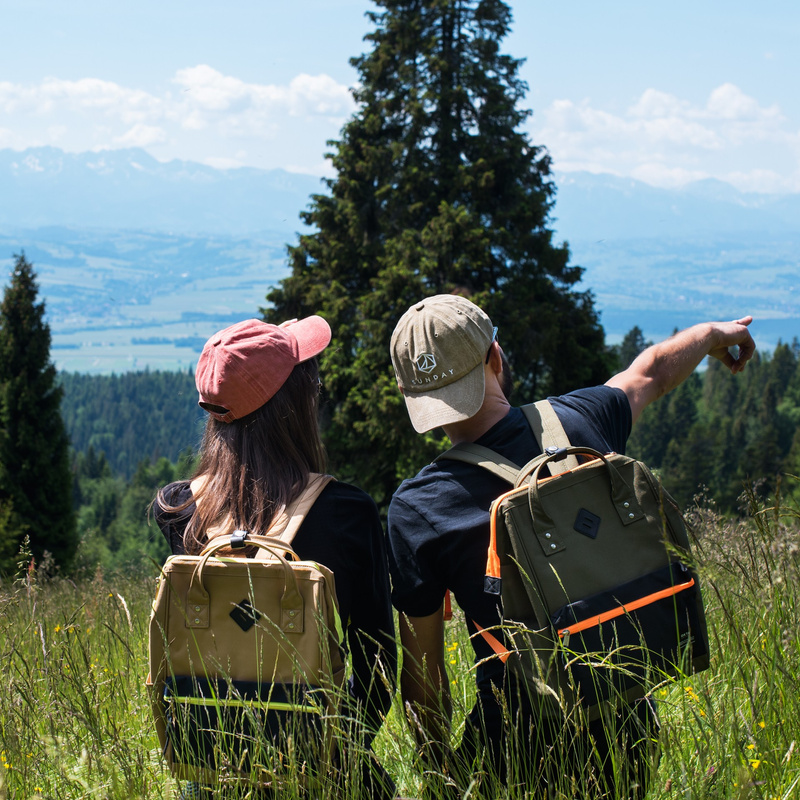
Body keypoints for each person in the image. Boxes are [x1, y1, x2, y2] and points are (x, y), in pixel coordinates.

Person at [386, 294, 756, 799]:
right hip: (627, 733)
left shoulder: (419, 508)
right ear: (495, 358)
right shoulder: (579, 421)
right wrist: (715, 334)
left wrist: (438, 769)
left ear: (415, 397)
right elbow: (650, 373)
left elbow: (424, 677)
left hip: (512, 751)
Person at [154, 316, 398, 800]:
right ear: (295, 402)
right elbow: (379, 665)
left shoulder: (179, 509)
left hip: (215, 772)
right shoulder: (345, 512)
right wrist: (330, 751)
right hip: (328, 770)